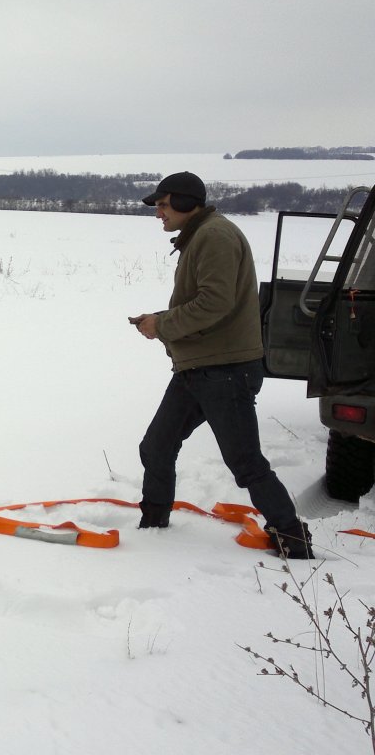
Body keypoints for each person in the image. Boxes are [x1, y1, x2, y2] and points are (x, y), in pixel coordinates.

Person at [128, 172, 313, 558]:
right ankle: (153, 525)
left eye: (163, 205)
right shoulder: (202, 234)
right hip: (200, 366)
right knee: (157, 446)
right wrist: (159, 319)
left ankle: (292, 538)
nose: (158, 213)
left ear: (184, 202)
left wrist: (162, 324)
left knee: (245, 463)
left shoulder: (214, 236)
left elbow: (215, 304)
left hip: (224, 371)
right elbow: (205, 301)